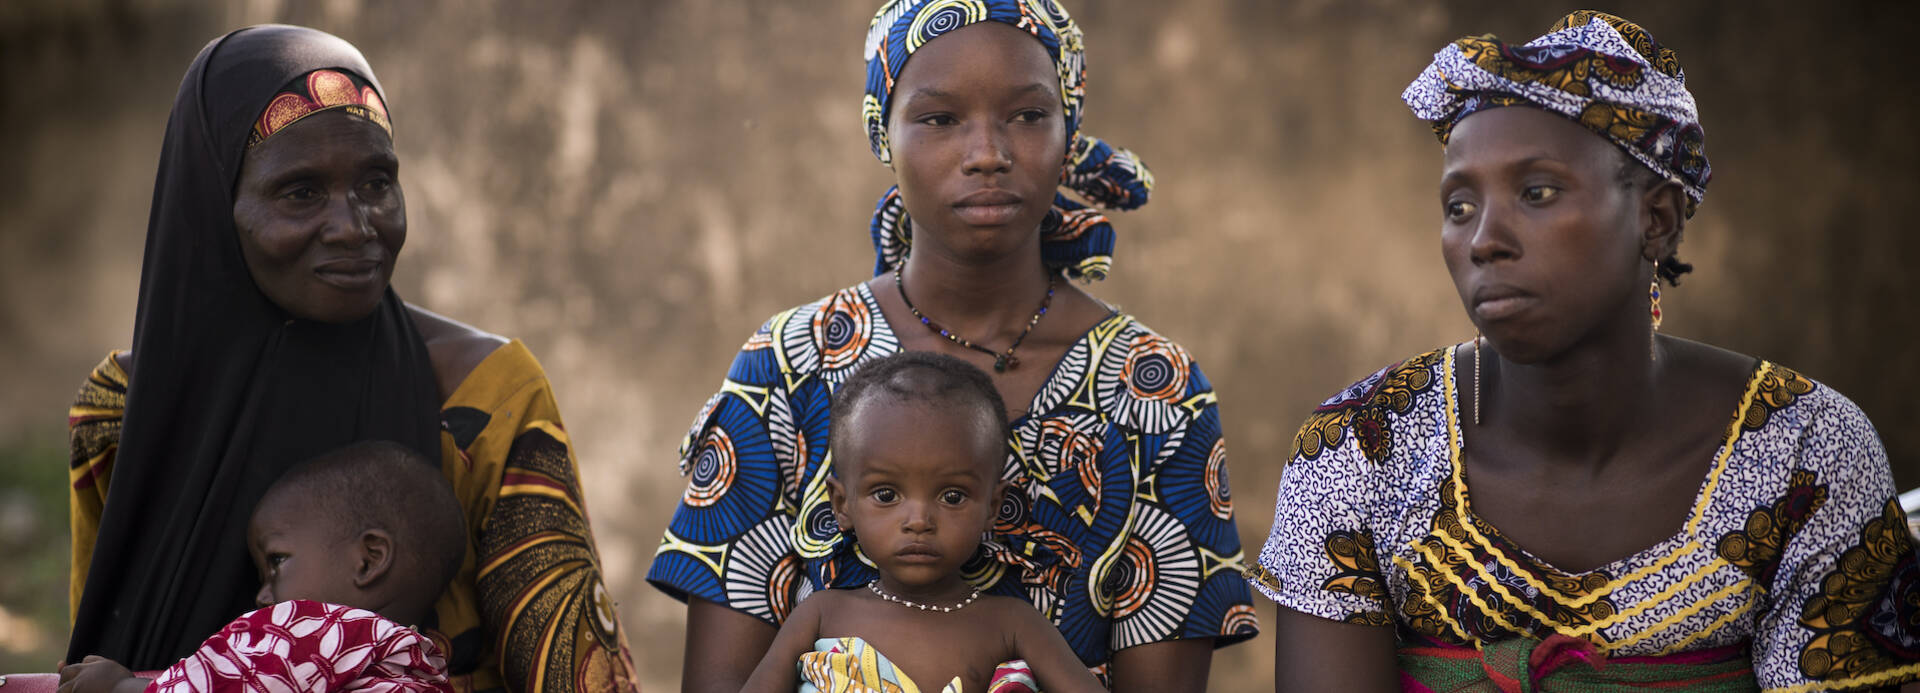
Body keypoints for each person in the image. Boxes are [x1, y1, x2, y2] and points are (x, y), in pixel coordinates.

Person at [1257, 11, 1920, 691]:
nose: (1485, 240)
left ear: (1656, 219)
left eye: (1537, 193)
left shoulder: (1807, 453)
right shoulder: (1359, 448)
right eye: (1459, 206)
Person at [646, 1, 1257, 689]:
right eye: (939, 119)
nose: (988, 153)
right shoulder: (788, 368)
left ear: (1068, 131)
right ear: (884, 134)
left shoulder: (1156, 390)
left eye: (1028, 115)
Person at [63, 25, 639, 692]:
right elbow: (93, 661)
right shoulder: (126, 408)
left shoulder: (485, 397)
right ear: (215, 204)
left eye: (376, 182)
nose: (355, 226)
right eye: (302, 192)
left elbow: (578, 680)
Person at [740, 353, 1104, 693]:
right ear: (842, 504)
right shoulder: (821, 614)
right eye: (886, 495)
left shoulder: (1012, 623)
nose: (919, 521)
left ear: (993, 506)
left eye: (952, 497)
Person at [59, 441, 468, 693]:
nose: (261, 595)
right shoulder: (426, 669)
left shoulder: (314, 631)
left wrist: (121, 686)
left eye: (277, 561)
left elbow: (223, 686)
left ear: (368, 560)